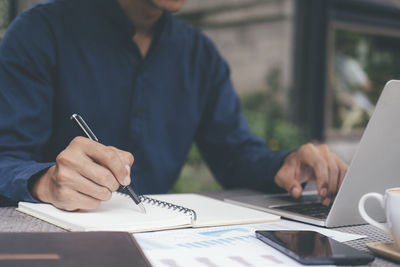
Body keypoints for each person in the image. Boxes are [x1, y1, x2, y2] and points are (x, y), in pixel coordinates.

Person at [0, 0, 347, 211]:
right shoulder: (39, 32)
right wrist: (43, 182)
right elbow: (6, 158)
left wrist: (285, 163)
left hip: (162, 239)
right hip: (62, 237)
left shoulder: (200, 55)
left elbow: (234, 154)